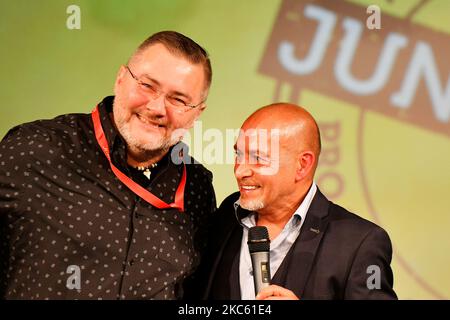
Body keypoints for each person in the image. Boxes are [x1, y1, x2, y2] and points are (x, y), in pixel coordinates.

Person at [0, 31, 216, 299]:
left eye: (178, 100)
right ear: (121, 79)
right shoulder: (35, 149)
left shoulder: (197, 187)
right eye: (147, 86)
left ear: (197, 113)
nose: (158, 107)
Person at [199, 103, 397, 300]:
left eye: (258, 158)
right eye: (239, 154)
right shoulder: (225, 216)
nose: (240, 171)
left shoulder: (359, 243)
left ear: (302, 165)